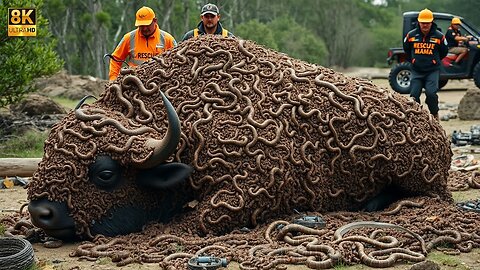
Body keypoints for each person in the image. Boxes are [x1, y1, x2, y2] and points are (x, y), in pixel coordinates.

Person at [109, 6, 177, 81]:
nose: (144, 29)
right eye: (141, 26)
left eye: (147, 25)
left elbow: (177, 61)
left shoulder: (167, 39)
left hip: (160, 81)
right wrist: (113, 79)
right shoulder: (129, 38)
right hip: (133, 82)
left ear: (155, 21)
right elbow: (115, 59)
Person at [403, 8, 448, 120]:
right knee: (413, 95)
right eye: (423, 23)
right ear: (419, 22)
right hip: (416, 70)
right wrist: (414, 60)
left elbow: (444, 51)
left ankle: (434, 115)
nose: (425, 25)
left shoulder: (439, 36)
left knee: (431, 94)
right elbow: (406, 49)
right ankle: (417, 117)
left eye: (427, 23)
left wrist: (434, 60)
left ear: (431, 22)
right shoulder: (411, 35)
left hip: (432, 71)